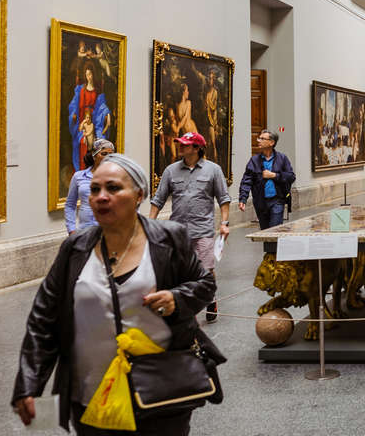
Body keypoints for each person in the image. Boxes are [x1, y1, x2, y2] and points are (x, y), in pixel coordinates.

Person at [12, 154, 219, 434]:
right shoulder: (75, 249)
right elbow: (43, 320)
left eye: (113, 188)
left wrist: (177, 299)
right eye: (95, 189)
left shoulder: (169, 239)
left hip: (160, 393)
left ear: (139, 195)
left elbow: (205, 283)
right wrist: (29, 383)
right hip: (91, 396)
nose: (101, 197)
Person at [149, 131, 231, 322]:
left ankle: (211, 298)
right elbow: (158, 199)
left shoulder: (213, 170)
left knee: (206, 269)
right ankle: (185, 303)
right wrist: (149, 223)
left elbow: (223, 198)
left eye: (185, 144)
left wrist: (224, 224)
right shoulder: (171, 171)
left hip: (203, 229)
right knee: (180, 269)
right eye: (180, 143)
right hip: (178, 231)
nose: (180, 146)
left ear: (197, 148)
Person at [238, 129, 295, 230]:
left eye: (262, 138)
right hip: (260, 202)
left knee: (274, 231)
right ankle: (269, 246)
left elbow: (291, 176)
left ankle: (273, 245)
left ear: (271, 142)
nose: (258, 140)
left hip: (277, 200)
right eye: (259, 138)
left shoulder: (282, 158)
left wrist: (274, 175)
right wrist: (243, 198)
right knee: (264, 232)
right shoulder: (254, 160)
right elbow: (247, 180)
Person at [65, 139, 115, 233]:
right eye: (104, 154)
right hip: (84, 231)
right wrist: (71, 230)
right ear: (94, 155)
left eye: (111, 155)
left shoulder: (117, 177)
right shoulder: (79, 176)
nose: (108, 158)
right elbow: (70, 205)